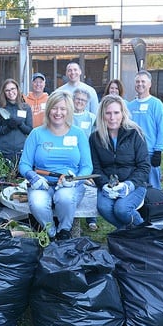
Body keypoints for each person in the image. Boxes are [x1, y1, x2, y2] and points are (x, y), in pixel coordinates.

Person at [19, 91, 93, 242]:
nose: (58, 112)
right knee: (37, 203)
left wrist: (75, 180)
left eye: (63, 109)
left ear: (69, 111)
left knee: (64, 197)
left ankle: (64, 230)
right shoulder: (36, 134)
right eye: (54, 108)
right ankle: (52, 232)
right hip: (42, 184)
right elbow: (24, 164)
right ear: (48, 110)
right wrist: (33, 177)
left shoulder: (78, 134)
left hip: (69, 185)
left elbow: (87, 167)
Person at [89, 94, 150, 230]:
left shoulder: (135, 133)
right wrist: (104, 184)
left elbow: (144, 166)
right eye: (108, 113)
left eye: (116, 112)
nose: (112, 117)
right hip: (109, 185)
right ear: (102, 115)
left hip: (134, 184)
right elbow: (95, 167)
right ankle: (128, 233)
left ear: (123, 113)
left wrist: (129, 185)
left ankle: (144, 231)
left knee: (121, 209)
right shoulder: (95, 138)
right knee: (104, 207)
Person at [127, 70, 163, 189]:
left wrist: (158, 151)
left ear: (150, 84)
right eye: (137, 81)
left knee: (153, 187)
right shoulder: (130, 106)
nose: (140, 84)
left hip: (150, 153)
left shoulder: (156, 104)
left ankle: (155, 206)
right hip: (133, 154)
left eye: (143, 81)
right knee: (135, 185)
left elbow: (162, 129)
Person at [72, 88, 99, 231]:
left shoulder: (91, 117)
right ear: (73, 99)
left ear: (87, 102)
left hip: (86, 155)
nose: (80, 102)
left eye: (83, 100)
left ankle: (91, 219)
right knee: (74, 185)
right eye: (78, 99)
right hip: (70, 156)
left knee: (90, 186)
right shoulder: (67, 116)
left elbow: (96, 137)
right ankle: (73, 218)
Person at [0, 78, 33, 165]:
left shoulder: (25, 107)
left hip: (21, 151)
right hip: (4, 151)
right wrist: (8, 127)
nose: (10, 92)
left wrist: (20, 124)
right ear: (4, 93)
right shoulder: (0, 108)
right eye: (7, 90)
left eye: (12, 89)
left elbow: (29, 130)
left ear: (17, 89)